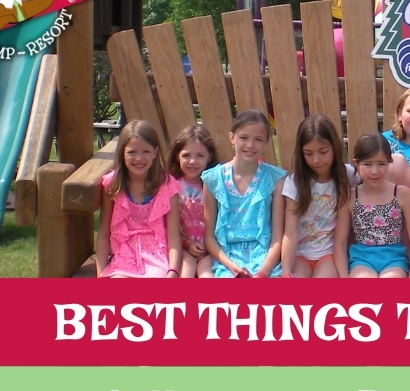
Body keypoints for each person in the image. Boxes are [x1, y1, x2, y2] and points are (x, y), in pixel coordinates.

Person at [202, 110, 286, 278]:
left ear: (266, 143)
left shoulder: (275, 179)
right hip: (227, 257)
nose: (250, 145)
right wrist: (231, 267)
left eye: (258, 140)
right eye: (244, 138)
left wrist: (263, 273)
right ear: (232, 137)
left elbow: (277, 237)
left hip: (264, 257)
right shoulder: (213, 179)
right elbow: (209, 237)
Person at [95, 120, 181, 278]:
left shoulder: (167, 186)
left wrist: (173, 271)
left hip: (155, 254)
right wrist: (100, 274)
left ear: (155, 153)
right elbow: (103, 233)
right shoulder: (112, 185)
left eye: (145, 152)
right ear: (122, 153)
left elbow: (174, 235)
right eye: (132, 152)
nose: (139, 158)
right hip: (123, 253)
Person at [336, 132, 410, 278]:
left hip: (394, 259)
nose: (375, 171)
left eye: (381, 164)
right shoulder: (350, 197)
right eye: (367, 164)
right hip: (361, 259)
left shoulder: (401, 194)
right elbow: (340, 242)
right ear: (356, 164)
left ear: (389, 162)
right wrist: (344, 278)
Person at [281, 115, 356, 278]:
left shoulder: (348, 175)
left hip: (328, 254)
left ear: (335, 147)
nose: (316, 160)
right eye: (308, 153)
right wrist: (286, 273)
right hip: (299, 254)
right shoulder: (295, 183)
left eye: (323, 152)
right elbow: (290, 232)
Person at [168, 124, 217, 278]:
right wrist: (186, 244)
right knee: (186, 270)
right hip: (183, 249)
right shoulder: (172, 186)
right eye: (186, 155)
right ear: (177, 156)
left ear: (209, 156)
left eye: (200, 156)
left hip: (212, 250)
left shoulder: (215, 185)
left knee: (206, 275)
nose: (192, 161)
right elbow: (169, 228)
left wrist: (211, 248)